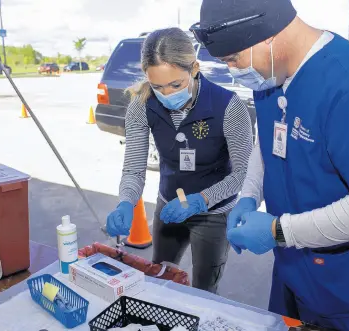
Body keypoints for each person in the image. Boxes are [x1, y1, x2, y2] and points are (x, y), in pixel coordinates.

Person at [192, 0, 349, 329]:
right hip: (292, 265)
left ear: (266, 35)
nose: (234, 71)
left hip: (346, 278)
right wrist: (249, 195)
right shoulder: (271, 75)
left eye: (233, 59)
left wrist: (278, 231)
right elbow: (267, 142)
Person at [105, 28, 253, 293]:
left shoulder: (229, 106)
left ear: (194, 68)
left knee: (204, 289)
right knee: (159, 278)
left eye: (176, 85)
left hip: (213, 213)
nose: (167, 94)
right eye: (157, 86)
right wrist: (126, 202)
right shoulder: (141, 105)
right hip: (169, 205)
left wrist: (203, 200)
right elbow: (134, 168)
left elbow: (242, 173)